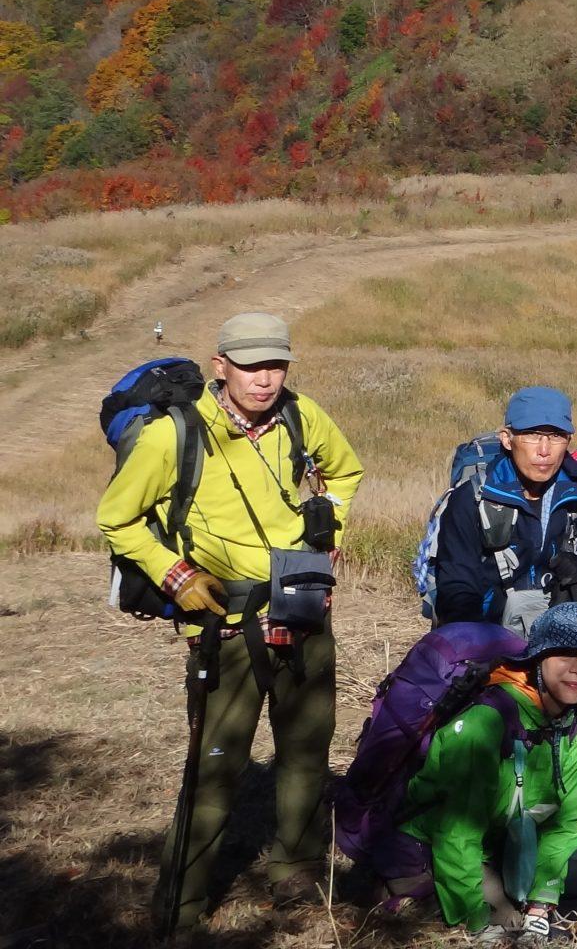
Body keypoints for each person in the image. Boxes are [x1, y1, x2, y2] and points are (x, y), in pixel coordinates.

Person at [96, 311, 364, 930]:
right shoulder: (175, 434)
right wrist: (174, 574)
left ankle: (294, 872)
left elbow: (346, 472)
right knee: (215, 768)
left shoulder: (302, 415)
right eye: (250, 366)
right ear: (221, 367)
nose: (265, 380)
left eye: (275, 365)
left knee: (306, 750)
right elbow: (118, 518)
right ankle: (181, 909)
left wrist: (329, 528)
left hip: (304, 611)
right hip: (224, 624)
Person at [391, 602, 577, 939]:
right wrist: (477, 918)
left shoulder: (576, 722)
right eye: (565, 656)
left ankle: (517, 907)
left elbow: (564, 823)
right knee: (503, 923)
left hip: (509, 842)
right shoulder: (487, 721)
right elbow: (456, 832)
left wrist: (541, 902)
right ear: (538, 660)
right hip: (442, 843)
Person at [432, 385, 577, 631]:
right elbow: (457, 585)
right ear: (507, 439)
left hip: (557, 643)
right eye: (532, 434)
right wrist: (477, 650)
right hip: (488, 642)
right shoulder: (473, 498)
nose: (544, 450)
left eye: (556, 436)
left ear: (568, 441)